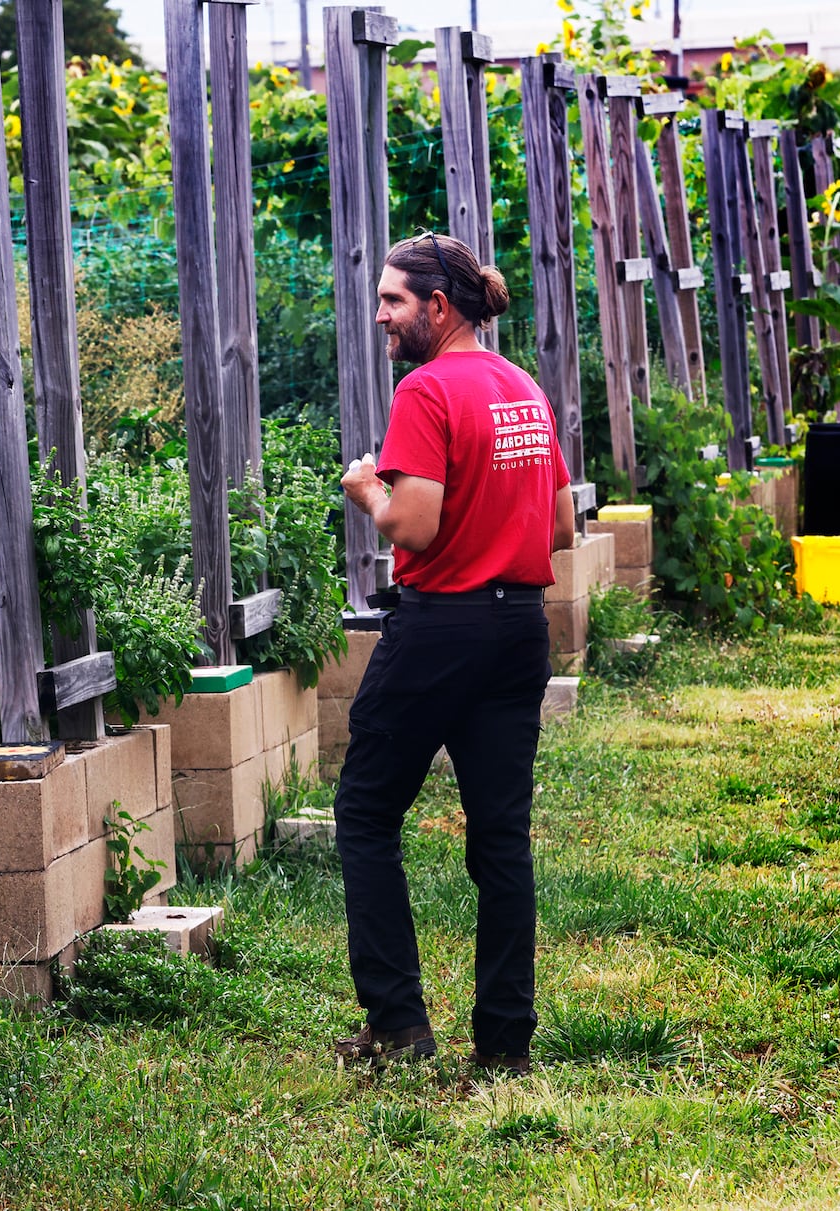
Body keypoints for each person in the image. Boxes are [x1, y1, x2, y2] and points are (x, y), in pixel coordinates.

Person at [332, 232, 574, 1073]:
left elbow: (416, 524)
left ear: (438, 307)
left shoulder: (427, 389)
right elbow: (562, 527)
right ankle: (505, 1043)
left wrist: (368, 488)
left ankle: (398, 1023)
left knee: (365, 812)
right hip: (518, 630)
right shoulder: (522, 388)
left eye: (394, 299)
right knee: (501, 839)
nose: (381, 314)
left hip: (441, 629)